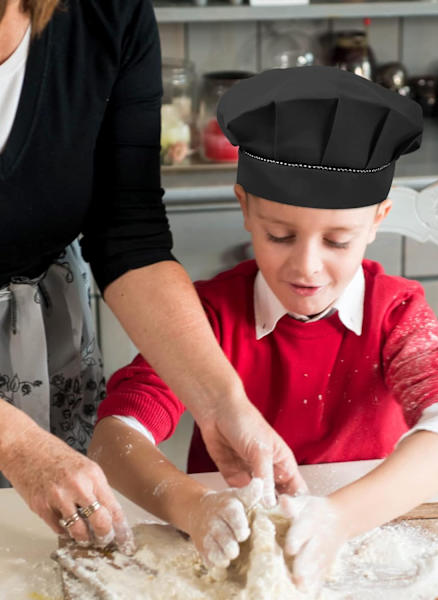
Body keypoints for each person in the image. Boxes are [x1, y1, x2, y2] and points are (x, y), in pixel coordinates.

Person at [89, 64, 438, 591]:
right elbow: (115, 437)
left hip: (372, 545)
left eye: (337, 241)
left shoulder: (396, 316)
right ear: (246, 208)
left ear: (378, 220)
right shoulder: (204, 318)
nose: (306, 267)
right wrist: (193, 509)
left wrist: (338, 519)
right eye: (280, 235)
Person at [0, 0, 305, 552]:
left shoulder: (102, 13)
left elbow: (128, 232)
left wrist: (220, 402)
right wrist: (16, 443)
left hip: (39, 328)